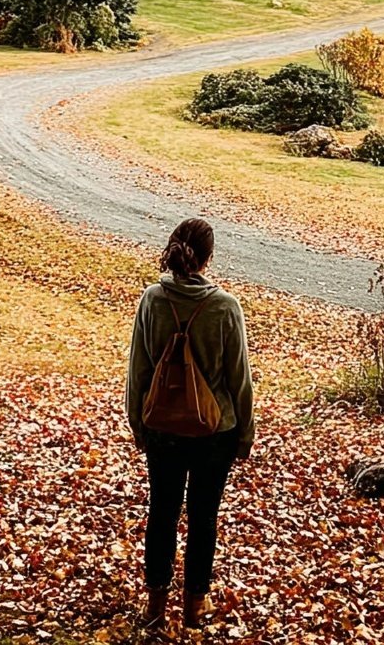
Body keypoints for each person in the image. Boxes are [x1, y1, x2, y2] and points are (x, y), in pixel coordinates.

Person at [126, 217, 255, 633]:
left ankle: (155, 609)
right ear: (208, 257)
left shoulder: (152, 300)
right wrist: (245, 433)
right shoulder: (224, 307)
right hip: (214, 432)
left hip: (162, 428)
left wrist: (138, 423)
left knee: (161, 512)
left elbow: (139, 370)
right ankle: (195, 610)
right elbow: (239, 378)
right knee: (204, 518)